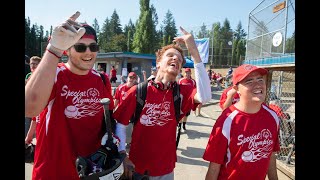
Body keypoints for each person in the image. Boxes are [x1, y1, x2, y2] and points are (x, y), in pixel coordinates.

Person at [25, 12, 116, 179]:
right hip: (52, 173)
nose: (88, 52)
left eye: (93, 47)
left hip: (89, 173)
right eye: (80, 47)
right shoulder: (54, 73)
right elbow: (29, 108)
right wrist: (54, 49)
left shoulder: (102, 79)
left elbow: (109, 119)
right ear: (67, 50)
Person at [112, 26, 211, 179]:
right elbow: (120, 123)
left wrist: (194, 52)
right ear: (158, 63)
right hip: (138, 168)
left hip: (166, 170)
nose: (175, 59)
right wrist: (122, 154)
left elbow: (205, 96)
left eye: (179, 59)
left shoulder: (181, 92)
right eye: (170, 55)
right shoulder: (139, 91)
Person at [203, 64, 280, 180]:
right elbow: (214, 167)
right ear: (236, 89)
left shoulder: (273, 117)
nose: (258, 84)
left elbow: (270, 155)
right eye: (249, 81)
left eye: (260, 79)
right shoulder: (227, 120)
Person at [25, 56, 42, 143]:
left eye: (36, 64)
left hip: (39, 104)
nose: (33, 65)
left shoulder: (42, 76)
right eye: (32, 63)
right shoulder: (28, 75)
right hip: (29, 103)